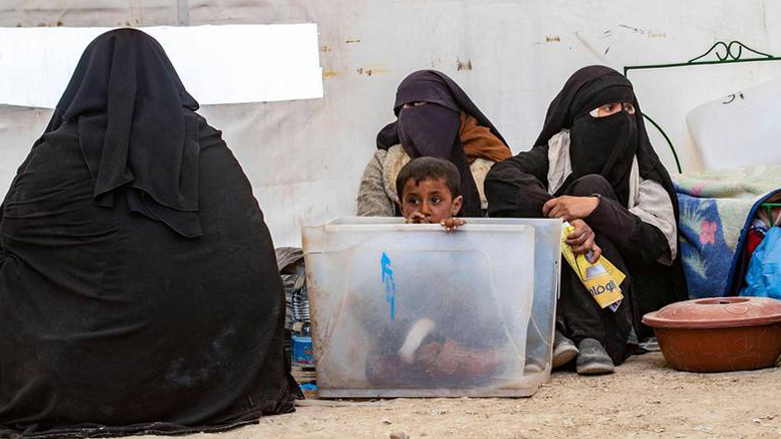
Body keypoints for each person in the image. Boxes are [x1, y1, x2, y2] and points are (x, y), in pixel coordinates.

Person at [0, 29, 298, 436]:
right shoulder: (207, 147)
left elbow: (12, 233)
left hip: (86, 373)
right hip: (214, 367)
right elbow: (245, 248)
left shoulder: (61, 150)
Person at [485, 65, 687, 375]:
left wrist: (596, 209)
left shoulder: (644, 169)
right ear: (580, 116)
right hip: (560, 284)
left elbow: (656, 245)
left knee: (593, 187)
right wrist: (564, 217)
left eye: (629, 108)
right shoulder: (556, 153)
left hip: (626, 302)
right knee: (565, 216)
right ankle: (578, 335)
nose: (622, 117)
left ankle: (588, 335)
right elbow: (501, 179)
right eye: (608, 108)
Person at [356, 70, 511, 218]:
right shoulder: (386, 163)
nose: (408, 115)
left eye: (418, 104)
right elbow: (372, 222)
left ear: (447, 109)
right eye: (401, 110)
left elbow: (503, 226)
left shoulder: (490, 159)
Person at [396, 156, 466, 231]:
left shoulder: (461, 236)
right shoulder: (394, 239)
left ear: (455, 205)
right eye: (413, 201)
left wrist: (455, 237)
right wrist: (408, 235)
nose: (424, 210)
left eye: (435, 200)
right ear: (402, 208)